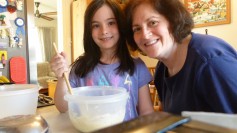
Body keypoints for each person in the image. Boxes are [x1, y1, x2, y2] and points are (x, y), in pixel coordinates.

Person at [124, 0, 237, 115]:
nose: (145, 35)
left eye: (153, 22)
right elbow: (169, 117)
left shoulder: (210, 62)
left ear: (173, 20)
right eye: (137, 29)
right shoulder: (162, 68)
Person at [50, 0, 154, 121]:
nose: (104, 31)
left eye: (111, 23)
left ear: (121, 25)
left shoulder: (137, 67)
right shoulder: (79, 68)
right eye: (96, 25)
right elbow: (63, 107)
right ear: (89, 31)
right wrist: (62, 77)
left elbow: (146, 111)